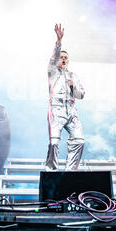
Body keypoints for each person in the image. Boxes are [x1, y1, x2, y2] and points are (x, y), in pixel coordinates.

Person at [45, 23, 85, 171]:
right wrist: (59, 41)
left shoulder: (74, 76)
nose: (63, 59)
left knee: (79, 141)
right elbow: (54, 56)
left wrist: (73, 86)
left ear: (68, 61)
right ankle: (52, 171)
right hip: (56, 110)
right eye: (61, 57)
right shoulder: (52, 71)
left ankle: (70, 172)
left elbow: (81, 95)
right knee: (54, 143)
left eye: (65, 58)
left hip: (71, 110)